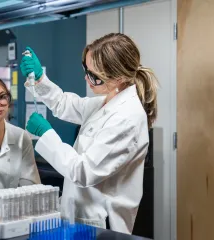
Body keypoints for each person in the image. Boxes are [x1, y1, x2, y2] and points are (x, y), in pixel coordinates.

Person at [20, 33, 158, 234]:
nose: (87, 78)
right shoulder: (108, 100)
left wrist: (47, 133)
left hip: (101, 225)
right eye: (86, 69)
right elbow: (65, 104)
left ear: (118, 78)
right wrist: (40, 79)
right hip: (80, 219)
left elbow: (83, 172)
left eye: (94, 76)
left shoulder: (127, 118)